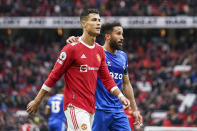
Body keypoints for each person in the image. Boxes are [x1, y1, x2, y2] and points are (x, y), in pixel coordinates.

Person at [26, 9, 130, 131]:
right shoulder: (71, 49)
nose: (98, 23)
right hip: (74, 106)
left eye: (99, 20)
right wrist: (37, 100)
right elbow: (54, 76)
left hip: (91, 107)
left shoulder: (99, 51)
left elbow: (107, 78)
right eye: (94, 20)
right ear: (83, 24)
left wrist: (121, 96)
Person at [66, 22, 143, 131]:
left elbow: (126, 84)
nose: (122, 37)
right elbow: (84, 45)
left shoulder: (123, 56)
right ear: (107, 36)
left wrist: (135, 109)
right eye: (118, 34)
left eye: (122, 34)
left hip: (118, 111)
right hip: (99, 110)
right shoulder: (96, 51)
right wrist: (75, 40)